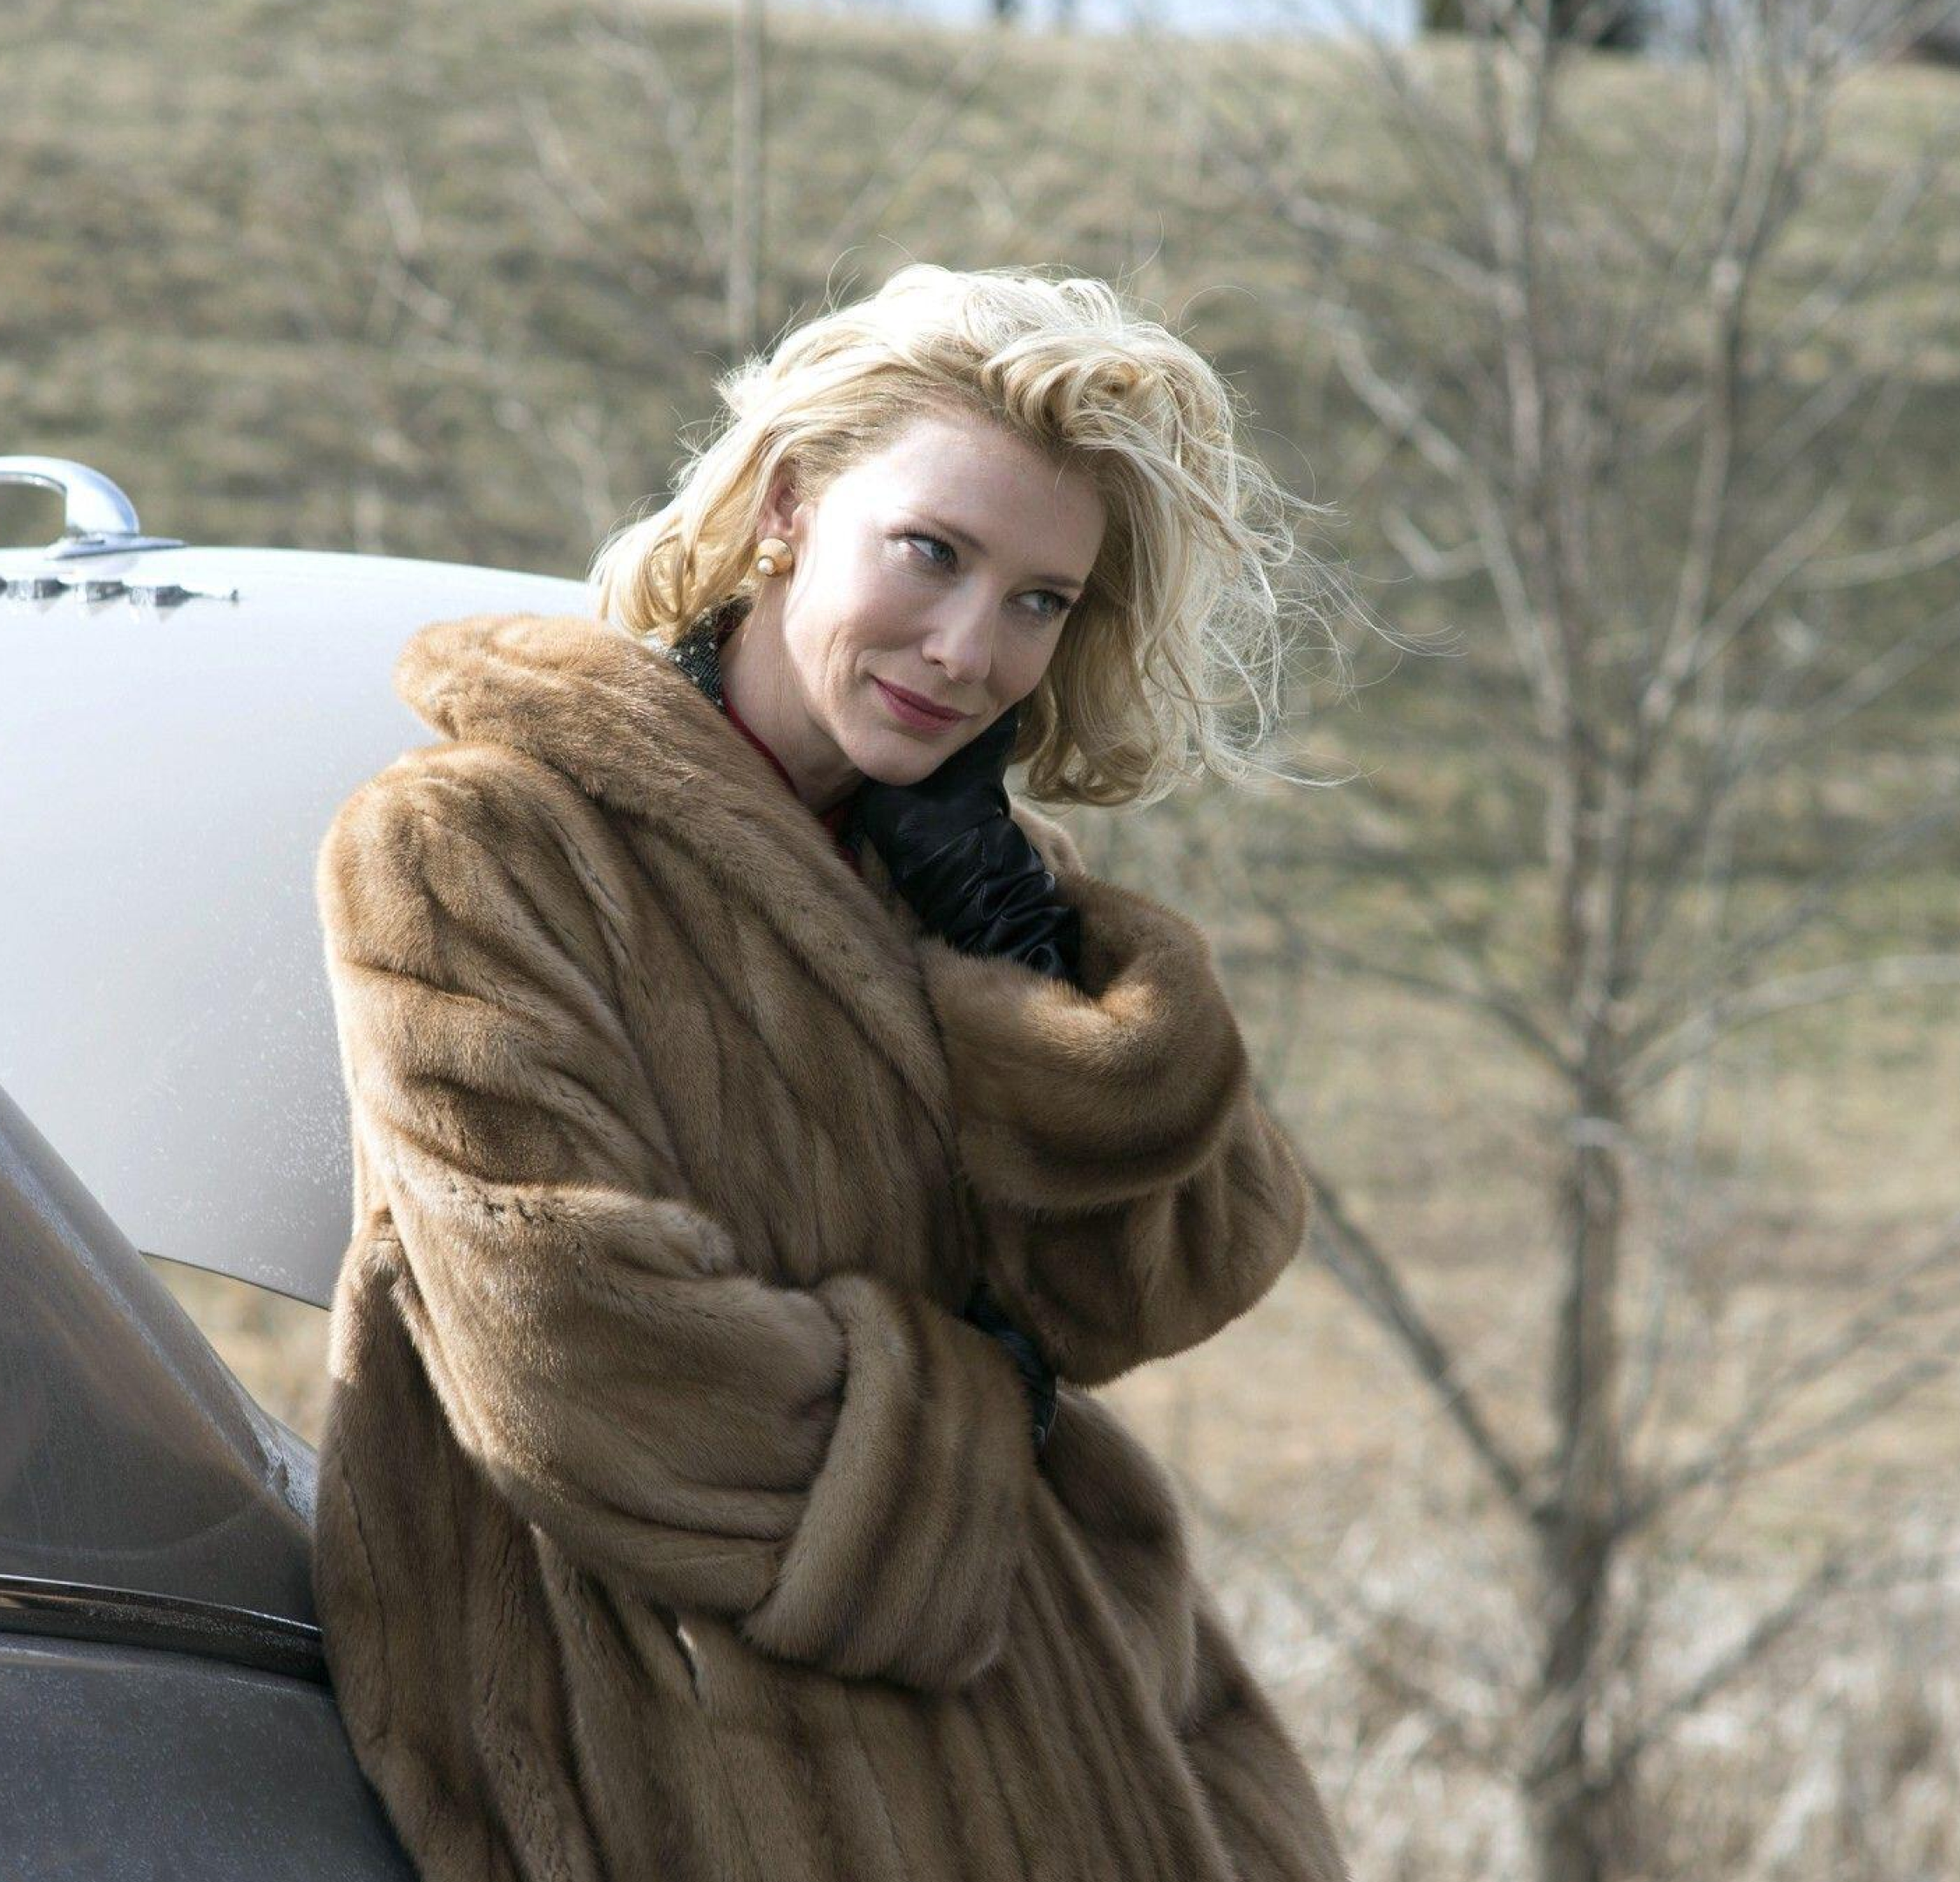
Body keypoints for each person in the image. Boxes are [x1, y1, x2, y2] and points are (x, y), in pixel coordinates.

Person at [312, 264, 1347, 1882]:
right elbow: (572, 1353)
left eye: (1037, 601)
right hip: (684, 1724)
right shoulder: (475, 843)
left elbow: (1167, 1277)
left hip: (1077, 1720)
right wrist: (955, 1440)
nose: (968, 649)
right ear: (791, 506)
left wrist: (1022, 959)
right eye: (931, 553)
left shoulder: (956, 870)